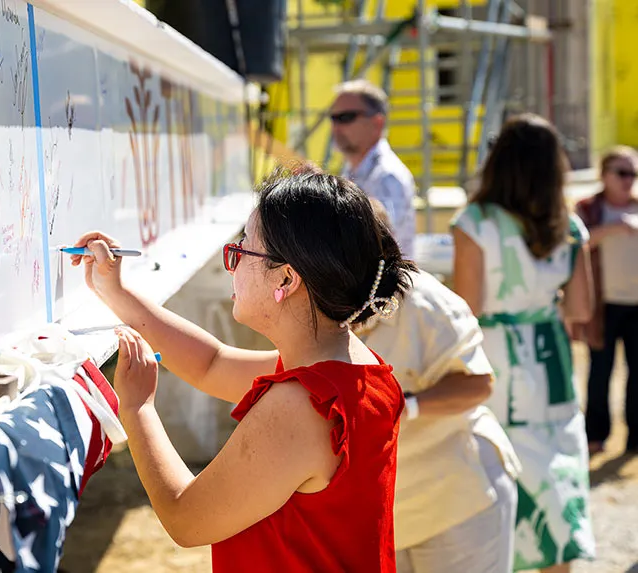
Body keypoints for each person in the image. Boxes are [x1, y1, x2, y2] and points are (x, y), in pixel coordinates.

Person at [69, 168, 415, 571]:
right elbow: (212, 365)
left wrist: (137, 409)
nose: (231, 264)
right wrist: (117, 292)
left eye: (242, 249)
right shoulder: (350, 364)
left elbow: (186, 519)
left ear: (286, 278)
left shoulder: (301, 407)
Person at [451, 114, 596, 572]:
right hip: (550, 358)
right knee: (556, 472)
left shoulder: (475, 222)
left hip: (495, 359)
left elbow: (466, 308)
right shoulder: (568, 225)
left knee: (496, 475)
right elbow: (580, 309)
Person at [357, 199, 521, 573]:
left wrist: (404, 405)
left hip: (460, 503)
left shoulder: (425, 300)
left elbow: (478, 384)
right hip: (390, 515)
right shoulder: (324, 307)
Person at [573, 146, 638, 455]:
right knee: (600, 373)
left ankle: (634, 440)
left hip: (636, 305)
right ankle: (595, 437)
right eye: (622, 173)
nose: (628, 180)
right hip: (602, 306)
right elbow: (576, 241)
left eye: (633, 174)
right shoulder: (588, 209)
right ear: (604, 175)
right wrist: (611, 229)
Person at [331, 79, 417, 257]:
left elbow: (380, 236)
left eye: (346, 117)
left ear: (377, 123)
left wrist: (326, 193)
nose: (336, 126)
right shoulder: (352, 169)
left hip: (390, 282)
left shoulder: (388, 175)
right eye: (333, 118)